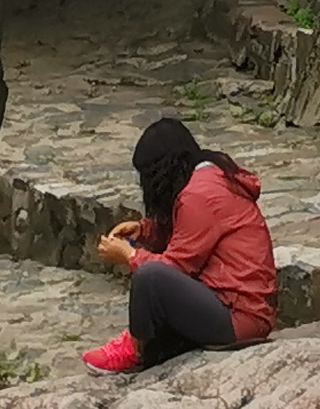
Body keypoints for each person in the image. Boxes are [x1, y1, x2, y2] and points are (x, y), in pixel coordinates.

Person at [81, 115, 277, 374]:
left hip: (238, 317)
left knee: (151, 276)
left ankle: (135, 350)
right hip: (237, 306)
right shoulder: (210, 176)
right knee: (154, 276)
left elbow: (176, 268)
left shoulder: (200, 195)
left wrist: (130, 255)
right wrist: (144, 230)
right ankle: (153, 346)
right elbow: (191, 234)